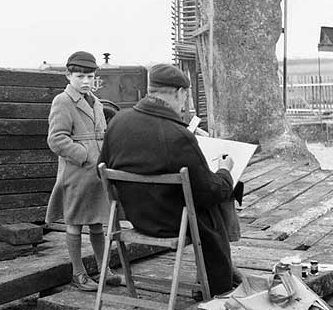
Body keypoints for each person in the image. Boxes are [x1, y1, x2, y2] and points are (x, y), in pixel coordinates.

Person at [99, 63, 237, 296]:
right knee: (216, 204)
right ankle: (217, 285)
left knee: (209, 197)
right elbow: (208, 191)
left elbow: (99, 170)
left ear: (150, 90)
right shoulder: (178, 135)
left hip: (136, 217)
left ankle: (225, 273)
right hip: (170, 223)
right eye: (185, 97)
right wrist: (224, 171)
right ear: (179, 93)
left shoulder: (118, 123)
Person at [45, 51, 121, 291]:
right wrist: (85, 155)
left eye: (89, 76)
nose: (86, 81)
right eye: (80, 76)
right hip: (76, 173)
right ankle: (78, 274)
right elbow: (56, 139)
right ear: (68, 75)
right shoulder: (63, 101)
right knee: (75, 223)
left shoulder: (96, 101)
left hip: (97, 174)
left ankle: (103, 269)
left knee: (97, 222)